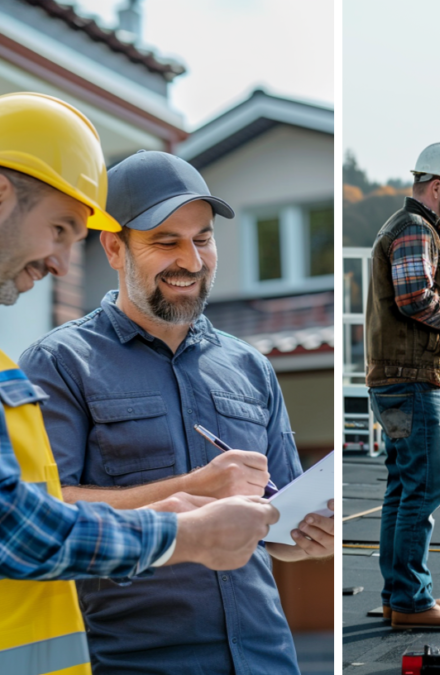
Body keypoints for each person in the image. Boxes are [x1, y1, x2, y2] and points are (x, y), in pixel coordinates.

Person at [20, 150, 334, 674]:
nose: (190, 259)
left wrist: (308, 538)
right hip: (135, 663)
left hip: (266, 659)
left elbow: (279, 526)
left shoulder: (251, 367)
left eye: (203, 238)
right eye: (166, 242)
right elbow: (46, 514)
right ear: (115, 248)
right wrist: (197, 487)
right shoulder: (58, 364)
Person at [365, 142, 440, 631]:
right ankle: (414, 601)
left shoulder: (407, 229)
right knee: (425, 487)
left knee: (403, 488)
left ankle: (400, 596)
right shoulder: (416, 230)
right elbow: (415, 298)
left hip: (397, 382)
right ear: (437, 186)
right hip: (414, 383)